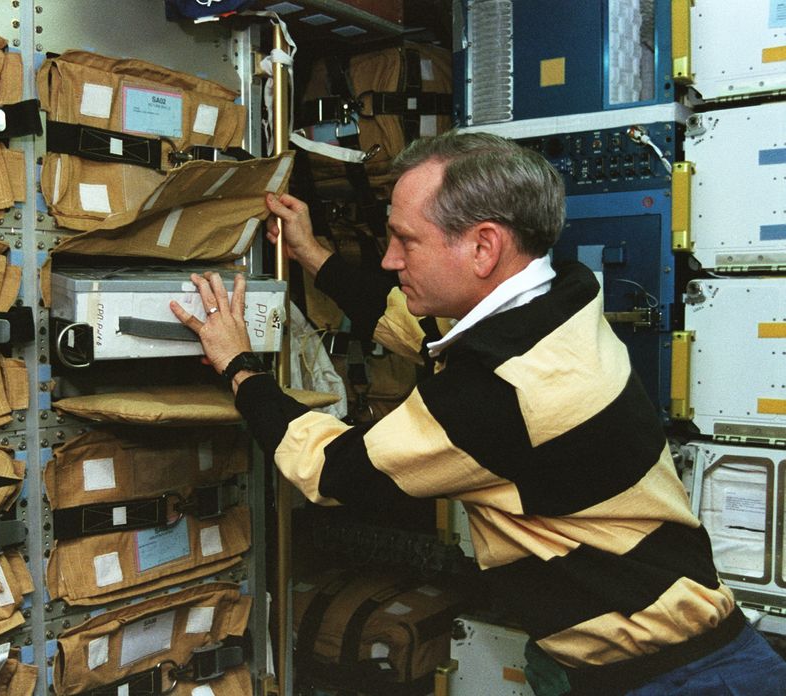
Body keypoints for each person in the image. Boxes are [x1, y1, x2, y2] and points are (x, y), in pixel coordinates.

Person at [169, 131, 786, 695]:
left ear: (484, 246)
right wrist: (311, 254)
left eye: (406, 240)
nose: (390, 258)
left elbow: (331, 473)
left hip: (683, 681)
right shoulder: (560, 298)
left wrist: (236, 364)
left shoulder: (501, 390)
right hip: (658, 656)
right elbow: (406, 321)